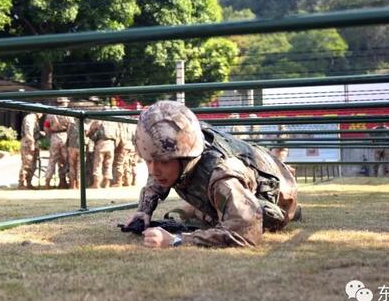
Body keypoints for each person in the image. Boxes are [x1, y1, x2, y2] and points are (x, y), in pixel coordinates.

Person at [124, 101, 299, 249]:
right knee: (188, 212)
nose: (154, 170)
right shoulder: (178, 153)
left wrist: (176, 240)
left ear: (186, 158)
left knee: (209, 215)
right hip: (241, 182)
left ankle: (296, 212)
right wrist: (143, 211)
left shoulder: (222, 177)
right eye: (149, 161)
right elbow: (156, 179)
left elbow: (246, 233)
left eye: (164, 162)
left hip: (280, 193)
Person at [44, 97, 71, 189]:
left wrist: (50, 134)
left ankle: (47, 182)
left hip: (54, 137)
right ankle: (63, 182)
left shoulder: (50, 114)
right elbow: (72, 127)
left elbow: (46, 127)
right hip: (65, 136)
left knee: (52, 160)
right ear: (65, 103)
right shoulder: (69, 113)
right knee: (65, 161)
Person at [88, 113, 118, 188]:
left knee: (98, 164)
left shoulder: (98, 121)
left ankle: (96, 184)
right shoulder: (114, 122)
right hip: (111, 144)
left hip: (101, 143)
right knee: (108, 165)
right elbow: (118, 135)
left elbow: (91, 132)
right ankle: (107, 184)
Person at [19, 113, 43, 189]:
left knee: (33, 165)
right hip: (28, 143)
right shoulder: (30, 118)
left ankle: (29, 183)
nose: (42, 115)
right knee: (27, 164)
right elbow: (28, 132)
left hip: (34, 143)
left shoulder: (35, 119)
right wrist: (31, 144)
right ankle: (22, 183)